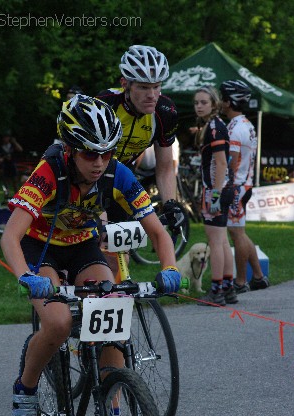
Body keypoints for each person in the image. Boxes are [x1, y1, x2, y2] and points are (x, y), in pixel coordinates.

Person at [0, 95, 181, 416]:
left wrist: (169, 267)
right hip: (41, 247)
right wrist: (26, 277)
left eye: (107, 152)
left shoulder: (118, 174)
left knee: (112, 314)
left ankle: (113, 413)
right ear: (69, 149)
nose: (99, 162)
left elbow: (157, 231)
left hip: (83, 245)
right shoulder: (49, 172)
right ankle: (25, 388)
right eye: (89, 154)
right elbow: (11, 235)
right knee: (58, 321)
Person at [97, 45, 185, 231]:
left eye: (156, 87)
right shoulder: (106, 105)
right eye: (144, 87)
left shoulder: (165, 112)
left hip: (121, 178)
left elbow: (165, 168)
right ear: (125, 84)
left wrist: (170, 203)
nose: (152, 95)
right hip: (89, 177)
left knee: (119, 251)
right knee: (92, 244)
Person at [220, 80, 270, 293]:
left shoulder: (234, 128)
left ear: (229, 102)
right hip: (244, 184)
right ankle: (258, 276)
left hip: (236, 187)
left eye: (222, 98)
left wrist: (225, 185)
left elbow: (232, 161)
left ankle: (241, 281)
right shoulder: (246, 124)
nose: (220, 102)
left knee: (236, 234)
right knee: (239, 232)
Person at [193, 86, 236, 306]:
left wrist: (215, 195)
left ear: (214, 104)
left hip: (216, 190)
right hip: (223, 188)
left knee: (216, 242)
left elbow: (220, 162)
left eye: (203, 102)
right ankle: (228, 288)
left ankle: (217, 290)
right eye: (196, 102)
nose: (199, 106)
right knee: (223, 240)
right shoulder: (214, 125)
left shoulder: (214, 127)